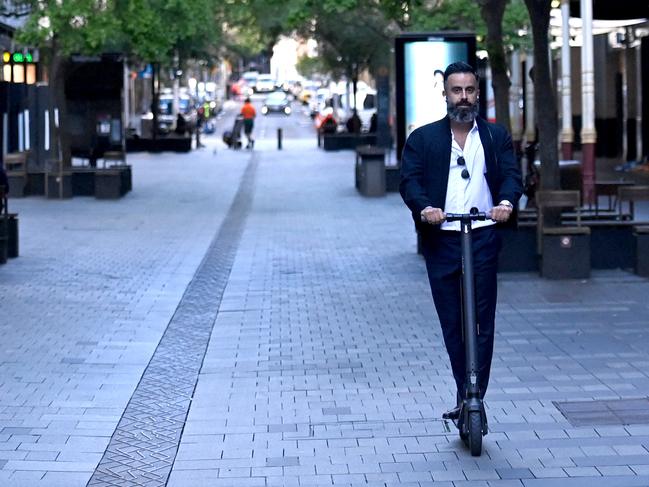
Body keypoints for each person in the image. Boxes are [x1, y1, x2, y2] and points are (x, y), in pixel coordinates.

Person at [399, 61, 522, 420]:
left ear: (478, 93)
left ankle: (475, 396)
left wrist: (505, 202)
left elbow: (513, 176)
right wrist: (425, 208)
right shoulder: (423, 139)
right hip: (444, 239)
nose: (463, 97)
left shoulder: (495, 137)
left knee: (483, 319)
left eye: (469, 90)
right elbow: (410, 181)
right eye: (457, 90)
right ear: (446, 94)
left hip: (482, 235)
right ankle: (462, 387)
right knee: (453, 320)